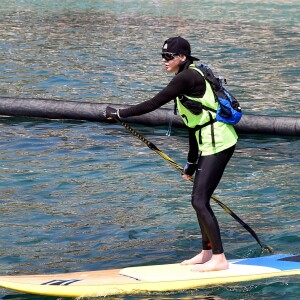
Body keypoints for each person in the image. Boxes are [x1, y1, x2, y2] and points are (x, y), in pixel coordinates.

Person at [105, 36, 238, 272]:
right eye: (162, 56)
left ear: (182, 58)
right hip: (206, 141)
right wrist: (190, 162)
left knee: (199, 200)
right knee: (199, 201)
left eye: (168, 57)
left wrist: (119, 113)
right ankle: (207, 253)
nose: (164, 61)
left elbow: (154, 103)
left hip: (219, 142)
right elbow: (194, 124)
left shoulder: (187, 77)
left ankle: (220, 259)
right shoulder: (186, 75)